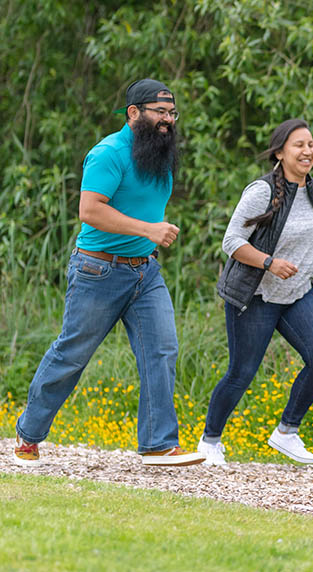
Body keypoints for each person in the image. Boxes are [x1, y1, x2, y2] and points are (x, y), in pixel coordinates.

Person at [14, 79, 205, 467]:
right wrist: (149, 229)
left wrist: (148, 239)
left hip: (144, 273)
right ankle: (28, 436)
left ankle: (158, 444)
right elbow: (90, 210)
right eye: (160, 112)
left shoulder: (157, 153)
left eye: (172, 113)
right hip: (97, 271)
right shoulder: (108, 153)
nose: (169, 120)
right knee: (72, 354)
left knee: (161, 349)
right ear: (134, 113)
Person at [198, 118, 313, 466]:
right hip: (255, 293)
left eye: (310, 144)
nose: (307, 151)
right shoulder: (261, 191)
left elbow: (307, 240)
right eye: (298, 145)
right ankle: (210, 441)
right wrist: (269, 263)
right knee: (242, 372)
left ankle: (287, 432)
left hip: (297, 293)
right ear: (279, 152)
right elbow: (231, 242)